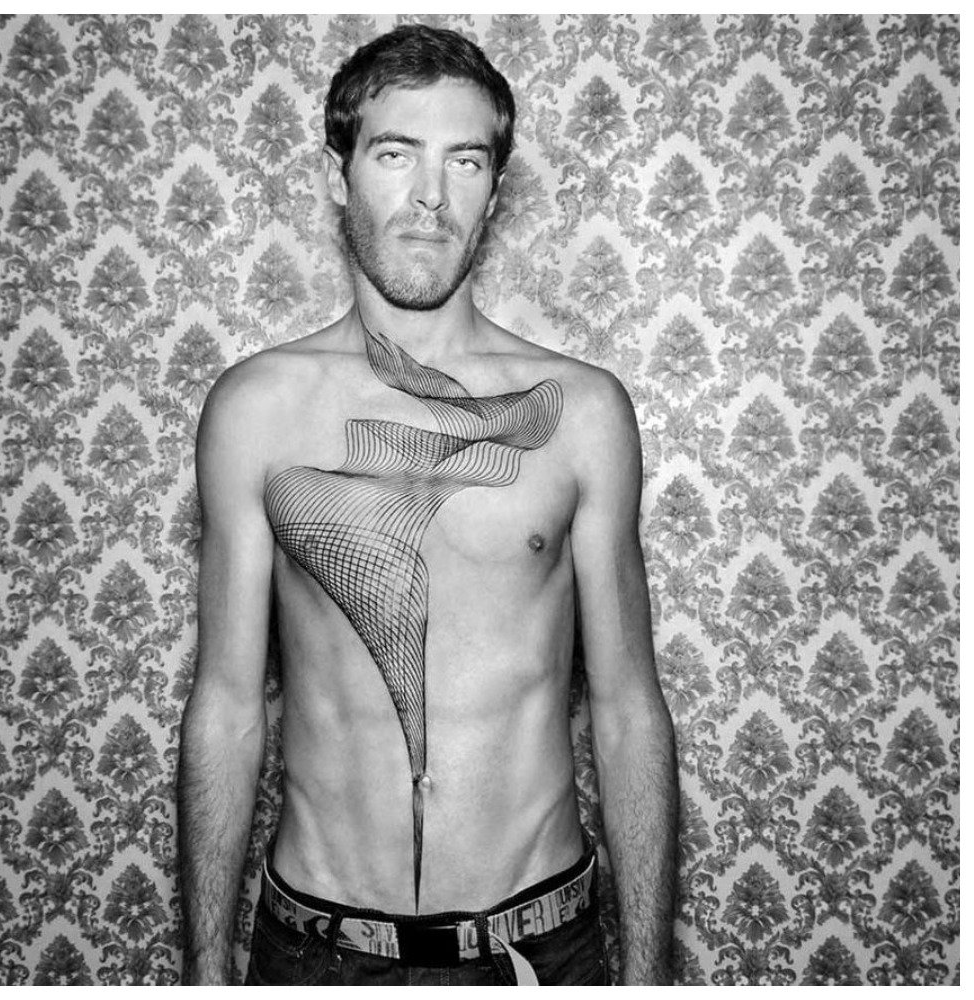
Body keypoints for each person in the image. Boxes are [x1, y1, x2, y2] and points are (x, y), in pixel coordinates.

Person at [178, 23, 678, 987]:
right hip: (318, 952)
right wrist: (203, 971)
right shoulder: (256, 411)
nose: (430, 196)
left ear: (496, 189)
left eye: (466, 160)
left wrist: (649, 976)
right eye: (396, 154)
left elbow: (628, 711)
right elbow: (227, 708)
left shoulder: (582, 413)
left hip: (538, 948)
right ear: (339, 177)